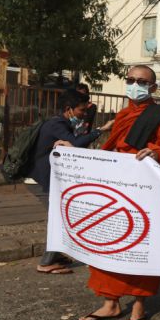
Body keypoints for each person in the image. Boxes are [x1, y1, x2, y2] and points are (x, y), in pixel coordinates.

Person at [76, 65, 160, 320]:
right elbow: (110, 148)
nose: (135, 85)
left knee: (140, 244)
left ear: (153, 87)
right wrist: (73, 153)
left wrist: (155, 152)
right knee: (109, 241)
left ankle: (139, 305)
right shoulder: (122, 114)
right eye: (130, 80)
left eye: (141, 81)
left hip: (144, 187)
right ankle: (110, 302)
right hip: (117, 185)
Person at [30, 89, 114, 274]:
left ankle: (56, 255)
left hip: (48, 177)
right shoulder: (57, 125)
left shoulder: (60, 123)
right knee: (61, 218)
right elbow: (76, 144)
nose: (84, 114)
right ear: (69, 109)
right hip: (44, 178)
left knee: (62, 216)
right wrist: (101, 130)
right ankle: (46, 262)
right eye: (81, 110)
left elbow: (73, 144)